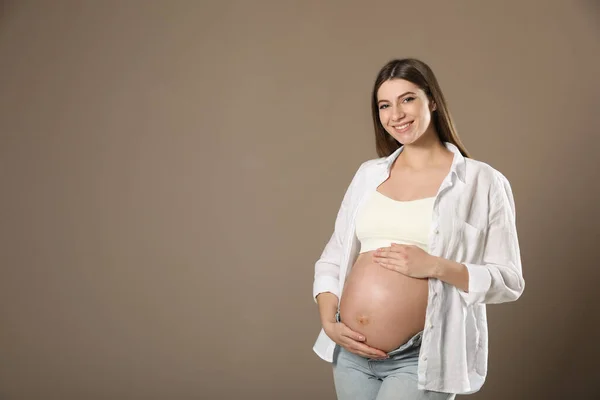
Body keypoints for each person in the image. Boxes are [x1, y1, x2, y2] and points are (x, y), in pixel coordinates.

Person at [312, 58, 525, 400]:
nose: (396, 114)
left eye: (407, 99)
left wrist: (436, 266)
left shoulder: (481, 182)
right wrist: (329, 322)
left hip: (422, 357)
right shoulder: (369, 175)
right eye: (385, 105)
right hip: (350, 353)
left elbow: (509, 281)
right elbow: (333, 257)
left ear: (433, 101)